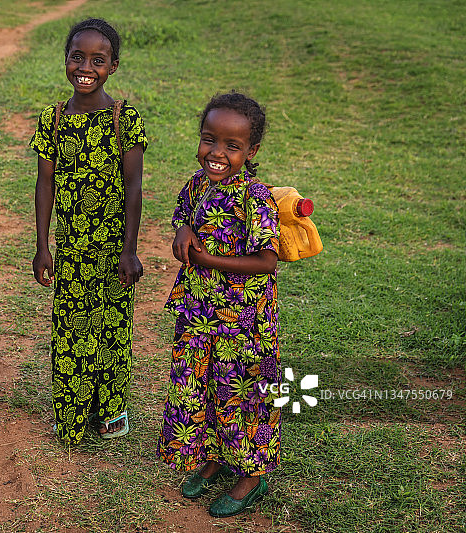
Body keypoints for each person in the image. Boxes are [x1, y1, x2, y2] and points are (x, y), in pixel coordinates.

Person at [157, 92, 280, 517]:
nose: (217, 153)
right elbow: (183, 215)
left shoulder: (256, 197)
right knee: (202, 387)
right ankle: (213, 458)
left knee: (243, 394)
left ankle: (252, 474)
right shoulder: (196, 184)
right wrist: (183, 230)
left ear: (251, 151)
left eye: (232, 146)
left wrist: (209, 260)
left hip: (242, 320)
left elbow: (267, 261)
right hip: (198, 311)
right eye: (210, 139)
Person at [30, 18, 147, 444]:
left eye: (98, 60)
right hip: (72, 248)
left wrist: (130, 250)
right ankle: (72, 418)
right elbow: (46, 183)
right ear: (66, 60)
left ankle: (112, 414)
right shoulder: (54, 119)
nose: (86, 67)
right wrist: (43, 246)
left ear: (113, 66)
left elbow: (133, 186)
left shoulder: (123, 118)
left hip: (115, 249)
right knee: (71, 330)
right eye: (77, 57)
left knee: (112, 331)